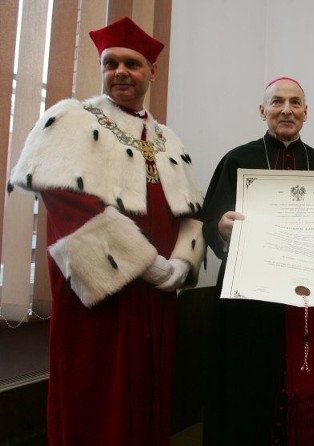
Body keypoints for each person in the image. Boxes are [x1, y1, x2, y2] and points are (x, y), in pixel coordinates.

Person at [7, 17, 205, 446]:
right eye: (110, 63)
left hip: (158, 295)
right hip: (99, 297)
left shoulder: (168, 138)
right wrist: (146, 263)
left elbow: (190, 209)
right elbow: (68, 205)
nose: (120, 71)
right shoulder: (72, 120)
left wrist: (181, 262)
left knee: (150, 395)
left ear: (151, 72)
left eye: (132, 64)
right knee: (97, 400)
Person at [201, 77, 314, 445]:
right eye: (278, 102)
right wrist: (219, 227)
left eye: (295, 103)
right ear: (262, 111)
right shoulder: (237, 160)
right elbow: (207, 223)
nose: (287, 110)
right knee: (247, 385)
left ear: (306, 113)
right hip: (248, 302)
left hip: (304, 299)